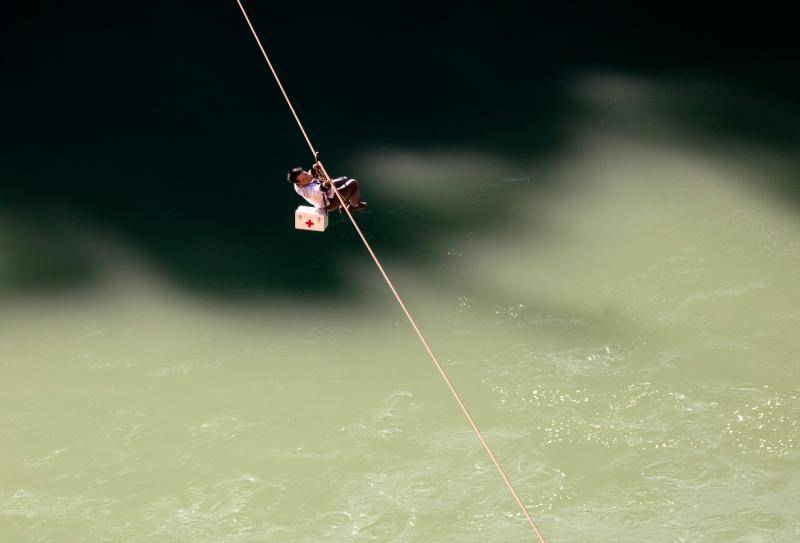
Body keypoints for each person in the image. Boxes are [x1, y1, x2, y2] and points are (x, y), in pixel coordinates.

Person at [288, 162, 367, 212]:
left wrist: (314, 169)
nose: (307, 176)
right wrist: (325, 184)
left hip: (328, 194)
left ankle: (343, 205)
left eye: (304, 173)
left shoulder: (299, 182)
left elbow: (310, 176)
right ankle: (354, 206)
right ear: (300, 184)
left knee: (344, 179)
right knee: (353, 183)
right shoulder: (308, 191)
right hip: (330, 203)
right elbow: (317, 189)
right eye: (305, 178)